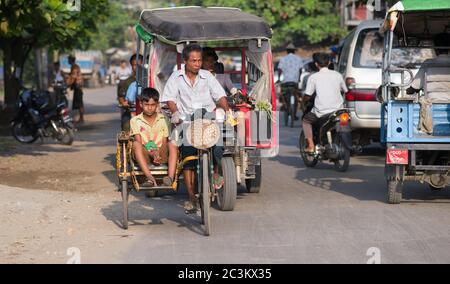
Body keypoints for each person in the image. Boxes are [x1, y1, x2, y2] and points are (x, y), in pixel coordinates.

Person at [161, 43, 232, 214]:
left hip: (207, 119)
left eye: (199, 60)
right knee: (188, 158)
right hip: (186, 122)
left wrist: (227, 109)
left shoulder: (207, 76)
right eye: (193, 61)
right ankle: (191, 197)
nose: (197, 64)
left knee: (219, 145)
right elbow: (170, 98)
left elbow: (220, 96)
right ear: (185, 61)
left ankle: (215, 173)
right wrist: (175, 112)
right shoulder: (176, 77)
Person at [302, 53, 348, 153]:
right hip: (339, 110)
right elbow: (345, 90)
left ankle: (310, 145)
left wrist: (303, 100)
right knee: (345, 123)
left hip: (321, 112)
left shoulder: (313, 77)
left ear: (316, 64)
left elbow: (308, 95)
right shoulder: (338, 75)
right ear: (329, 63)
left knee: (306, 121)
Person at [130, 88, 174, 187]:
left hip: (161, 154)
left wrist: (157, 153)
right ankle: (149, 177)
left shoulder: (164, 119)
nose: (149, 108)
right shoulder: (135, 120)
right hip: (145, 153)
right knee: (136, 144)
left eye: (152, 105)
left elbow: (164, 141)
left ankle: (170, 178)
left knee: (172, 143)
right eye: (146, 105)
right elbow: (138, 141)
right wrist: (152, 152)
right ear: (141, 104)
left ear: (157, 105)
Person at [407, 33, 450, 102]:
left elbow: (415, 87)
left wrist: (408, 90)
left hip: (431, 105)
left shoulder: (428, 63)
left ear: (435, 49)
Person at [117, 54, 143, 131]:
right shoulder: (126, 82)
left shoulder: (149, 80)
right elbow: (121, 97)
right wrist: (123, 103)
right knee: (126, 127)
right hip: (130, 113)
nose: (137, 67)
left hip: (147, 113)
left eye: (139, 65)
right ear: (131, 66)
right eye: (134, 65)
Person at [277, 43, 303, 120]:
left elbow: (279, 69)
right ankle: (294, 114)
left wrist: (279, 78)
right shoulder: (298, 58)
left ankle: (284, 104)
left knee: (283, 94)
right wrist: (298, 78)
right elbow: (300, 69)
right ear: (294, 51)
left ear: (287, 51)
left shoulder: (283, 59)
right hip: (295, 82)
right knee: (296, 96)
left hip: (285, 82)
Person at [66, 55, 84, 124]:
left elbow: (73, 77)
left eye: (68, 60)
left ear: (71, 60)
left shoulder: (75, 67)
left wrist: (68, 84)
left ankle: (81, 119)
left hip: (78, 87)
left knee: (79, 103)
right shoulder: (74, 66)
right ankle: (81, 118)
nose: (68, 61)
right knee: (79, 103)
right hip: (77, 87)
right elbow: (71, 76)